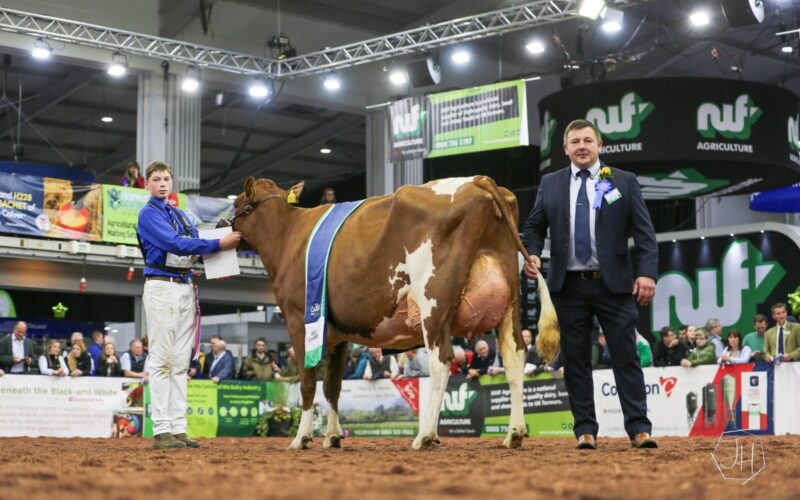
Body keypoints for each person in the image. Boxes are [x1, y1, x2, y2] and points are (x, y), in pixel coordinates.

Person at [522, 119, 658, 450]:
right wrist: (533, 254)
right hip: (567, 288)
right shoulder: (551, 183)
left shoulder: (622, 181)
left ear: (600, 145)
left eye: (588, 140)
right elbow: (534, 226)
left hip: (614, 286)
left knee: (626, 356)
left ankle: (639, 429)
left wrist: (647, 273)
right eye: (575, 141)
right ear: (565, 148)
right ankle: (585, 430)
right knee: (577, 361)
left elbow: (644, 233)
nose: (581, 146)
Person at [137, 160, 241, 449]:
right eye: (156, 179)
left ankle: (178, 428)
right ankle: (161, 430)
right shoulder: (148, 214)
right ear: (147, 184)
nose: (162, 183)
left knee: (181, 362)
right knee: (161, 360)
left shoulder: (182, 215)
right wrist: (219, 245)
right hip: (162, 286)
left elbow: (194, 242)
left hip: (185, 286)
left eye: (166, 178)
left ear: (172, 183)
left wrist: (217, 239)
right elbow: (176, 244)